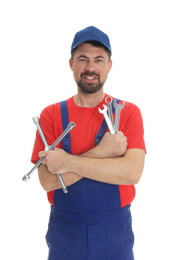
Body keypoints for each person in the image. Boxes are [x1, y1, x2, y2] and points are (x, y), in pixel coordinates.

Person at [31, 26, 146, 260]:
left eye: (98, 60)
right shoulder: (51, 115)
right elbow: (48, 181)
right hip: (65, 235)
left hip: (115, 234)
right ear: (71, 64)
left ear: (109, 66)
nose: (90, 68)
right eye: (82, 59)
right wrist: (103, 152)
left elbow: (132, 173)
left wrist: (66, 163)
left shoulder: (129, 113)